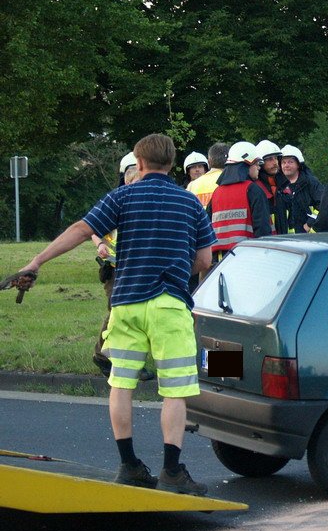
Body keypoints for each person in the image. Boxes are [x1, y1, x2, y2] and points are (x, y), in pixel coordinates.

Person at [23, 133, 216, 495]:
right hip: (169, 305)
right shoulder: (189, 204)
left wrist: (37, 261)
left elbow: (83, 230)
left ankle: (129, 466)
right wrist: (173, 269)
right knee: (175, 390)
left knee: (121, 385)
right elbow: (205, 260)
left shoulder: (121, 196)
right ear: (172, 164)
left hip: (125, 304)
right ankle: (172, 473)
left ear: (139, 164)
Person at [90, 159, 152, 382]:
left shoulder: (142, 203)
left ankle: (112, 358)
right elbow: (92, 228)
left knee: (128, 315)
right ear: (126, 179)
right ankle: (110, 358)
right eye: (134, 179)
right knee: (119, 314)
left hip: (135, 268)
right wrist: (100, 245)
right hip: (116, 269)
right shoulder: (116, 202)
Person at [209, 140, 272, 259]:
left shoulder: (217, 192)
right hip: (248, 258)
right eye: (256, 163)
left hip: (220, 262)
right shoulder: (253, 190)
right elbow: (263, 230)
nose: (259, 167)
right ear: (247, 164)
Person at [280, 144, 323, 233]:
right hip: (288, 238)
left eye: (290, 162)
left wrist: (309, 224)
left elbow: (323, 204)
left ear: (298, 165)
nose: (286, 165)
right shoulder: (280, 186)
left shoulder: (310, 182)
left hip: (308, 236)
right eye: (283, 162)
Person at [255, 139, 289, 234]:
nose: (275, 163)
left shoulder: (284, 183)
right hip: (266, 239)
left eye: (276, 158)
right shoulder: (256, 187)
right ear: (260, 163)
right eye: (270, 159)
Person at [187, 142, 228, 210]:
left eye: (200, 166)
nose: (197, 170)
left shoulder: (192, 185)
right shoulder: (231, 181)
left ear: (209, 162)